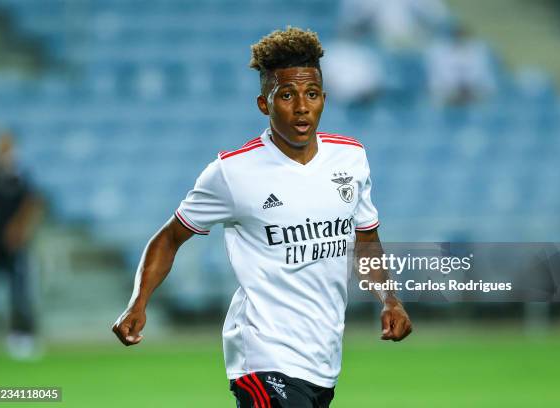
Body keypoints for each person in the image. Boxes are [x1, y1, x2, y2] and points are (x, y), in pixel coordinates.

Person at [112, 27, 412, 407]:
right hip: (262, 355)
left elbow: (366, 241)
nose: (302, 106)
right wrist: (138, 302)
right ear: (263, 104)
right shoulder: (232, 172)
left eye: (312, 94)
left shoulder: (351, 158)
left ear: (324, 99)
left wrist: (389, 298)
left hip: (322, 359)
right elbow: (170, 236)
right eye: (286, 95)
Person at [0, 131, 43, 359]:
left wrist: (20, 229)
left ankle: (22, 335)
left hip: (15, 245)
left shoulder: (20, 176)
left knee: (19, 292)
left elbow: (33, 203)